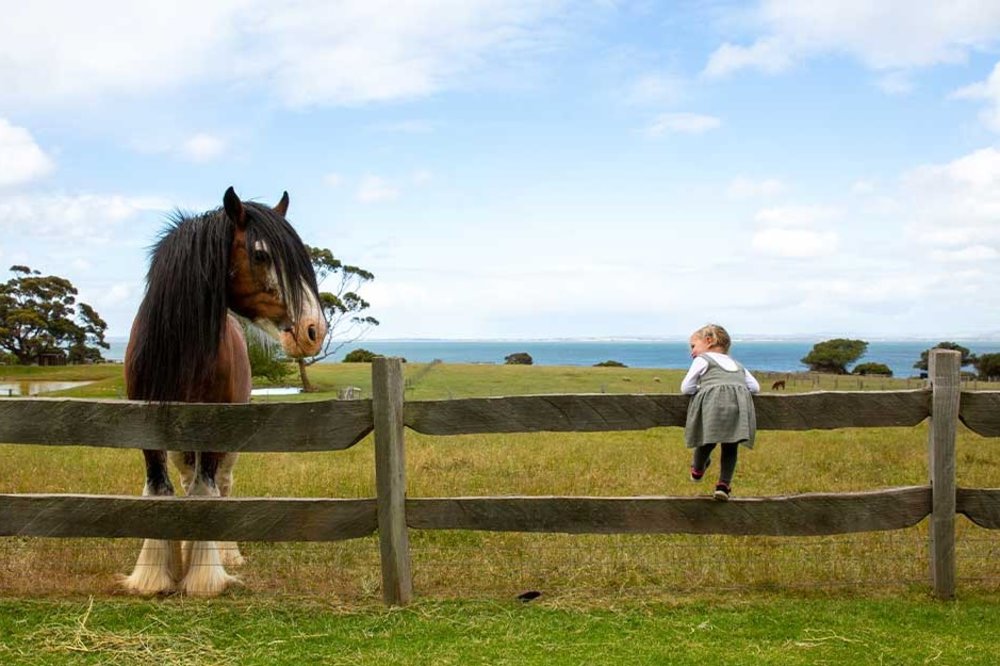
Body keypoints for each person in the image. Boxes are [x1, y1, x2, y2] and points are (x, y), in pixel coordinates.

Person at [681, 324, 760, 501]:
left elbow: (686, 387)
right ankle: (723, 485)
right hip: (737, 410)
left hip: (713, 407)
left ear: (709, 341)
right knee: (731, 447)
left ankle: (698, 468)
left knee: (706, 441)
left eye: (693, 346)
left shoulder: (703, 360)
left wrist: (704, 389)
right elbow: (755, 387)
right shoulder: (737, 364)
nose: (692, 352)